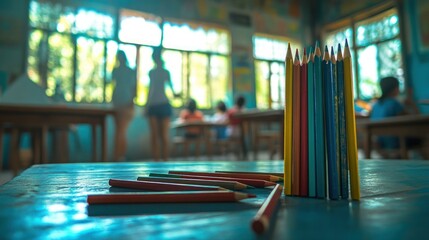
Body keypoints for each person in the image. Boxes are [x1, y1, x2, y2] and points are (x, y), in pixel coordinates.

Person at [370, 76, 420, 151]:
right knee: (424, 137)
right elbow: (416, 119)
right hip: (396, 142)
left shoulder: (376, 105)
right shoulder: (394, 103)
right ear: (395, 89)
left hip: (380, 143)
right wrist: (412, 103)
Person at [145, 48, 178, 161]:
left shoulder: (157, 72)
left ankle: (163, 159)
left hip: (159, 104)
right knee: (159, 135)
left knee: (160, 135)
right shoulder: (157, 72)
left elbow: (151, 90)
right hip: (157, 104)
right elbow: (151, 89)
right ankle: (159, 159)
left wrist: (146, 105)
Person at [111, 50, 136, 161]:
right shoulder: (115, 70)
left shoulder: (130, 71)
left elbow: (133, 88)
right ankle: (118, 156)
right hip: (117, 102)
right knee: (119, 130)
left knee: (121, 130)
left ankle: (120, 156)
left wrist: (131, 102)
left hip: (126, 103)